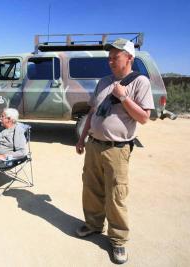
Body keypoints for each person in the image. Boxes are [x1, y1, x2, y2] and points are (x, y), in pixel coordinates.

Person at [75, 38, 155, 264]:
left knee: (116, 195)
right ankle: (93, 224)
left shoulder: (140, 82)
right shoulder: (103, 82)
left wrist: (123, 96)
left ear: (129, 58)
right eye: (109, 57)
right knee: (91, 188)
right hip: (94, 145)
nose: (110, 61)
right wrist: (82, 138)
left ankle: (118, 240)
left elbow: (144, 117)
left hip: (117, 150)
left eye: (115, 57)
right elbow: (92, 112)